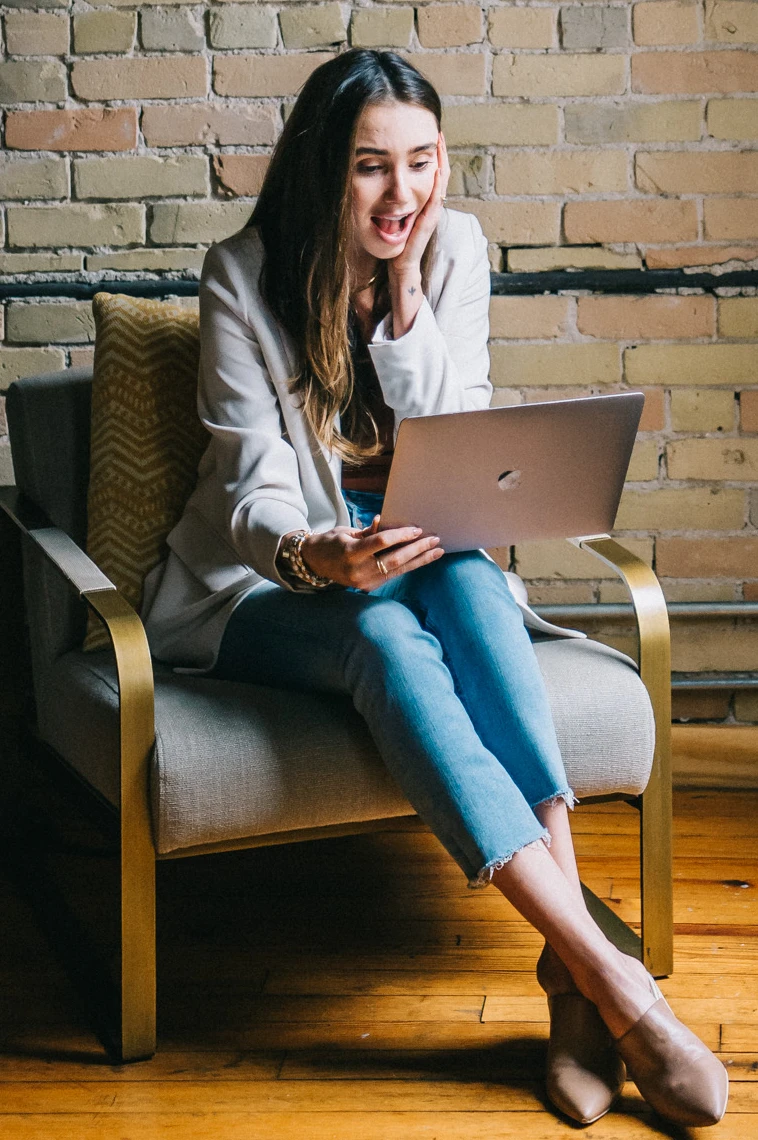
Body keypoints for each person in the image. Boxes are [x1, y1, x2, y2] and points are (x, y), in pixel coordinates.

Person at [141, 49, 728, 1127]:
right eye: (370, 167)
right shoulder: (242, 271)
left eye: (421, 163)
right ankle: (616, 983)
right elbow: (245, 483)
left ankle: (573, 977)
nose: (401, 194)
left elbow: (460, 441)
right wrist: (322, 555)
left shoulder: (450, 250)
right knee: (383, 637)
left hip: (415, 541)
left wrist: (404, 291)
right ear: (325, 168)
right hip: (258, 582)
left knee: (460, 575)